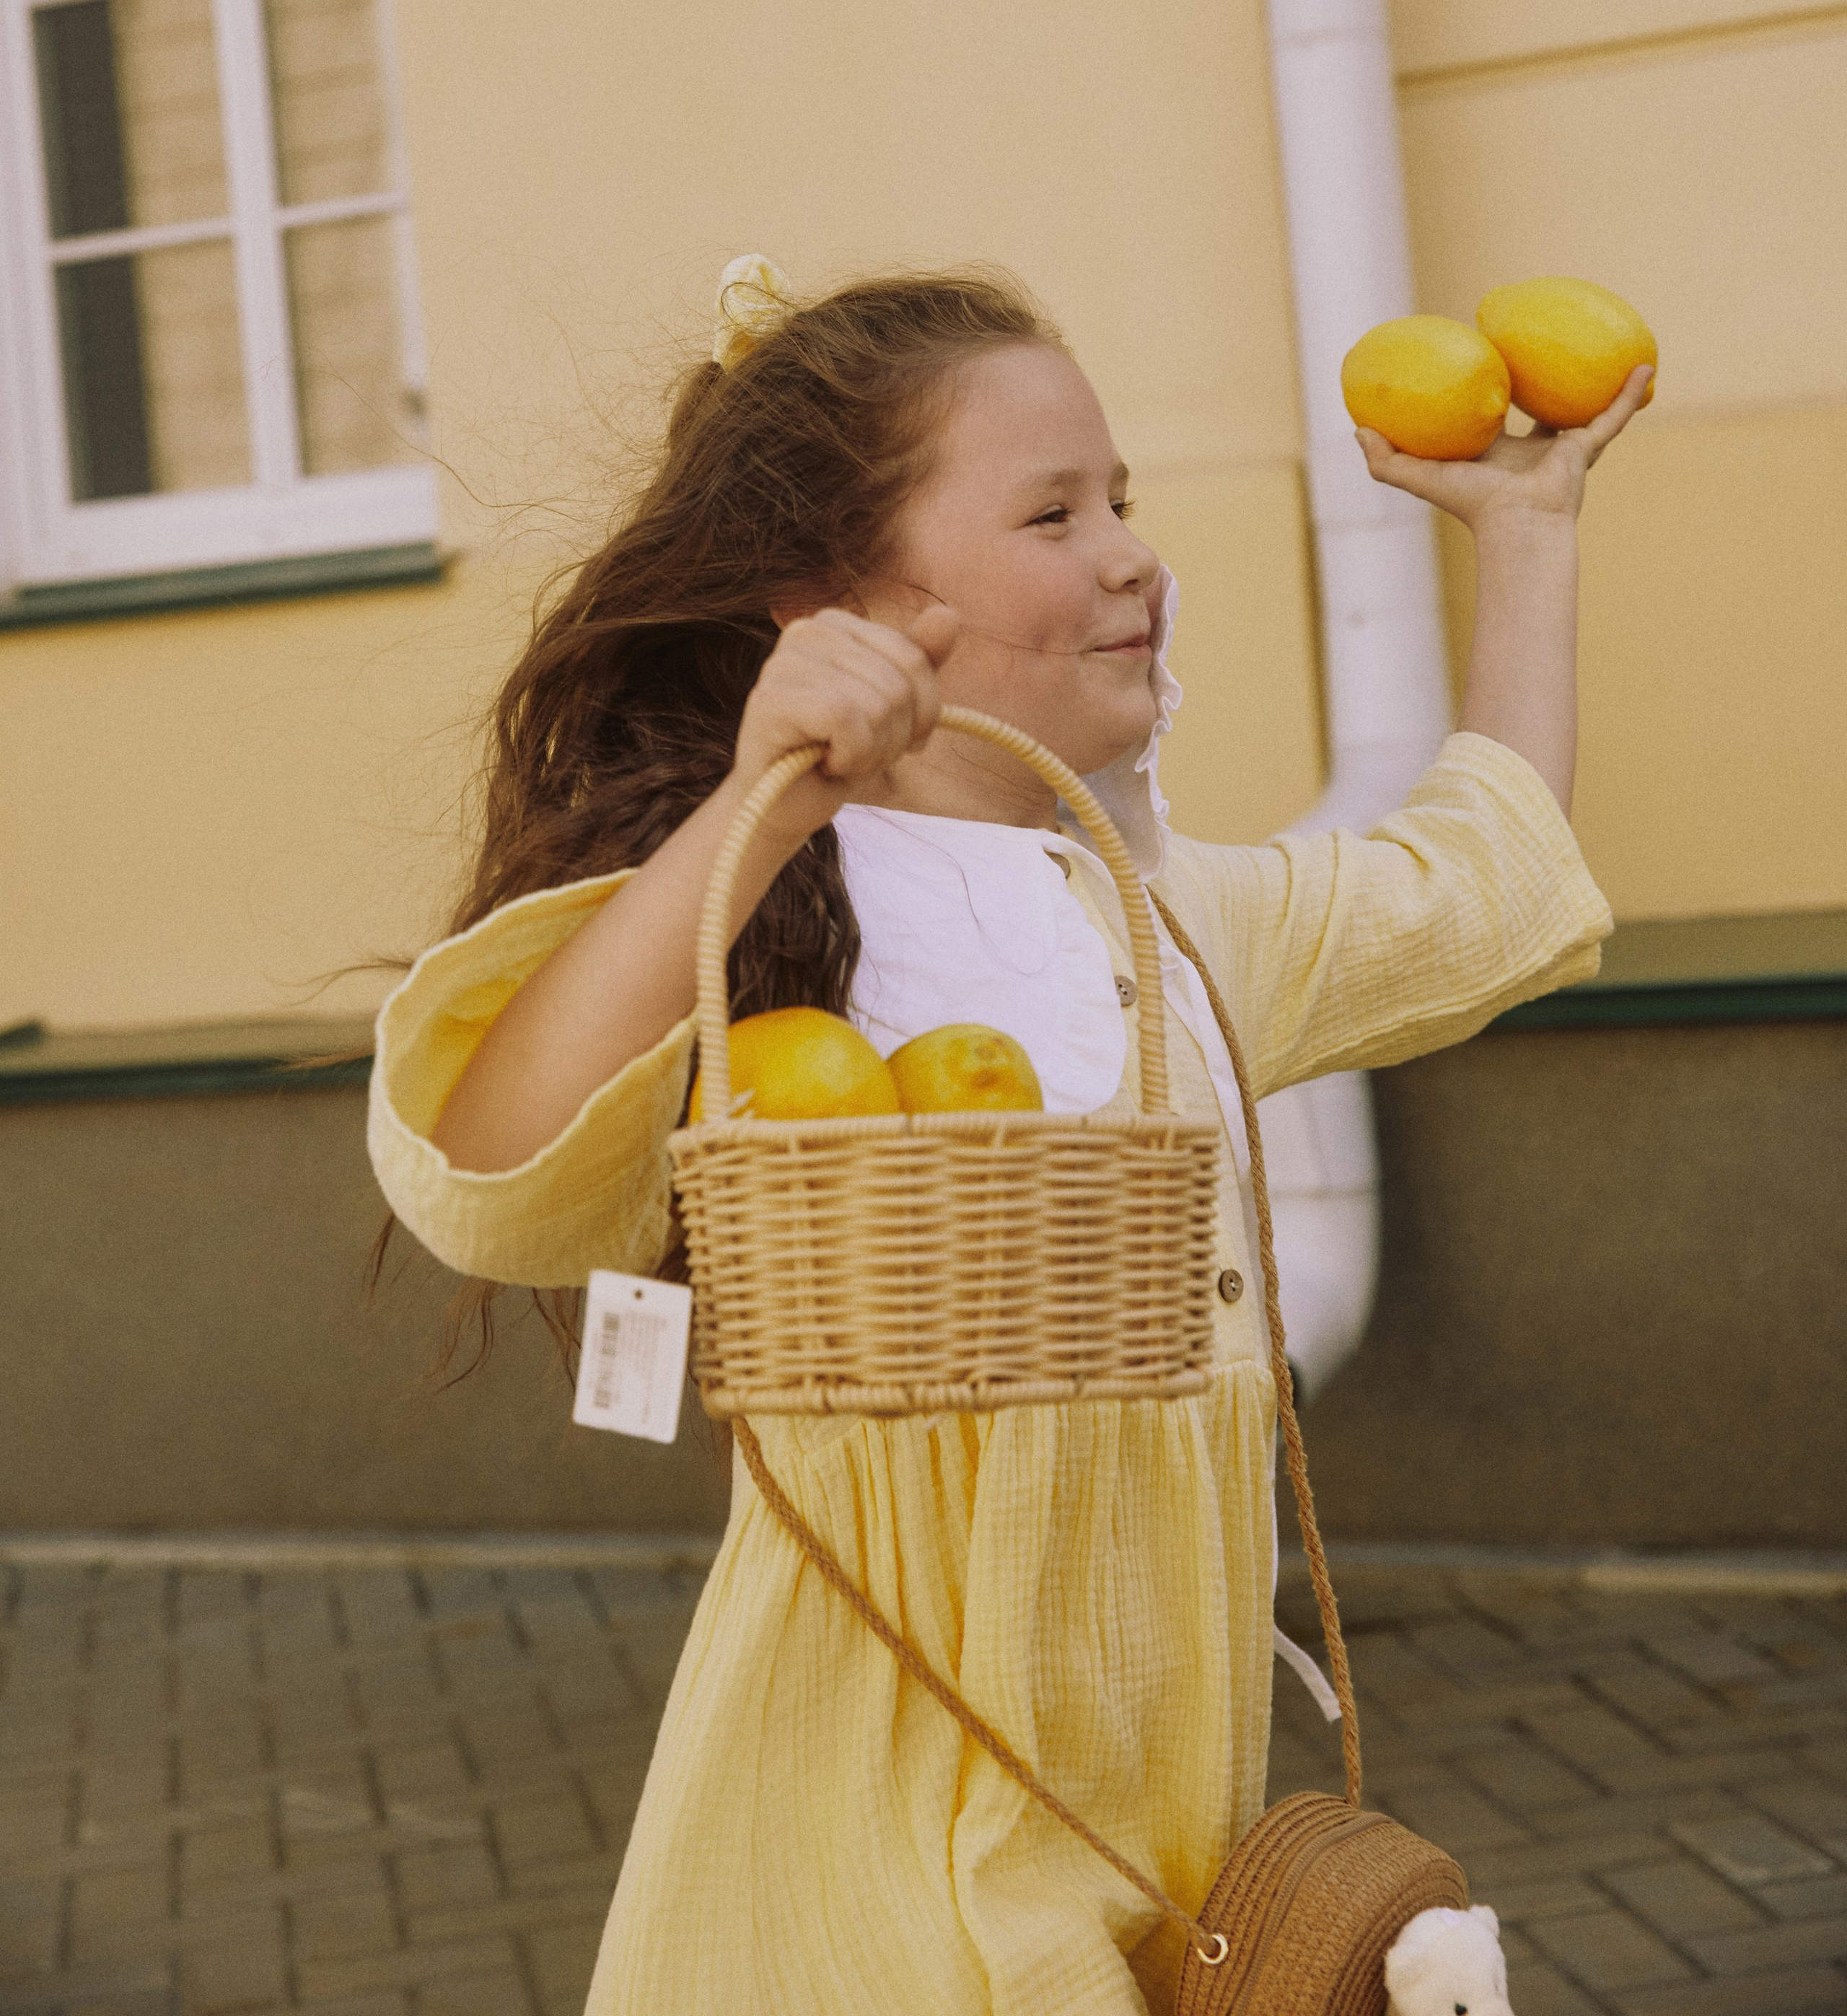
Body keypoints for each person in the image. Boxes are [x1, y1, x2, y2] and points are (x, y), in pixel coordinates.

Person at [369, 259, 1647, 2016]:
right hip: (859, 1846)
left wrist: (1521, 528)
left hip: (1151, 1853)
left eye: (1121, 497)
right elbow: (488, 1174)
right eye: (1051, 511)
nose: (1127, 550)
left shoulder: (1163, 923)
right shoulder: (762, 917)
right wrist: (761, 797)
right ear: (835, 597)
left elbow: (1474, 894)